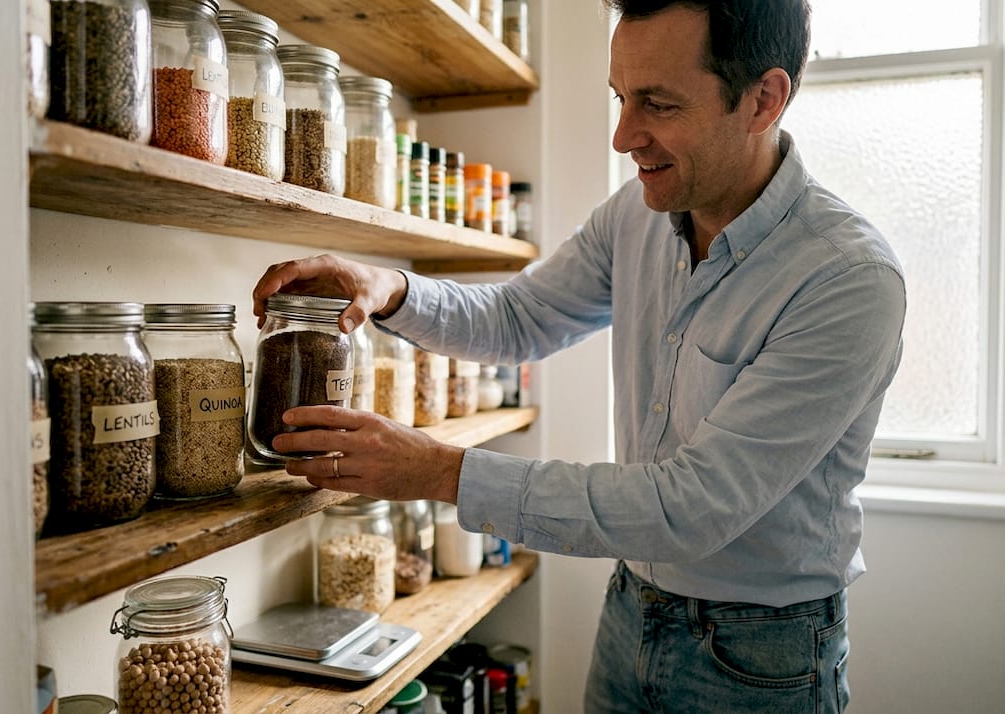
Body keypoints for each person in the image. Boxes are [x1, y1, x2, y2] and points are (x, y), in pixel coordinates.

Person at [252, 0, 905, 710]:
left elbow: (691, 507)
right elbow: (518, 317)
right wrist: (392, 288)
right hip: (632, 607)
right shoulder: (637, 215)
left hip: (761, 654)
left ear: (763, 99)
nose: (625, 136)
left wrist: (439, 472)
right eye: (621, 98)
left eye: (657, 103)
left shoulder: (846, 276)